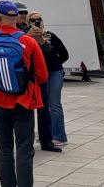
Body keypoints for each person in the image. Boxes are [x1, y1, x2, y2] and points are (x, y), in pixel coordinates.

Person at [0, 0, 50, 187]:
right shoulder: (28, 41)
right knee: (24, 149)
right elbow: (42, 75)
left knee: (4, 147)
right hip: (23, 101)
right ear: (16, 17)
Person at [29, 12, 70, 146]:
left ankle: (60, 136)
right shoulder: (28, 38)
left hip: (54, 73)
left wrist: (55, 63)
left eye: (39, 19)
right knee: (43, 105)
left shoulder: (50, 36)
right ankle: (47, 134)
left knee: (54, 103)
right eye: (33, 20)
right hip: (39, 75)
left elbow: (64, 54)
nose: (36, 22)